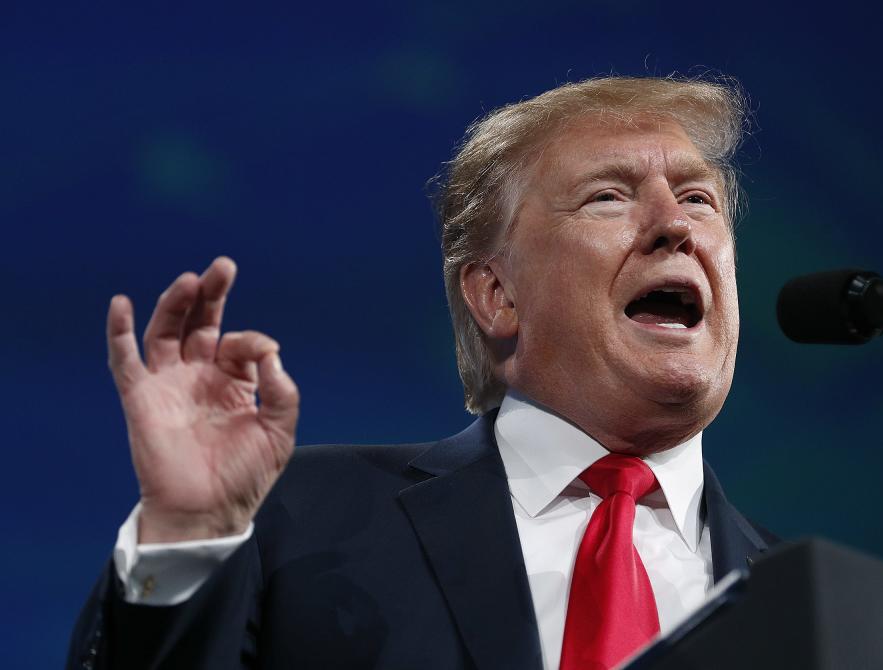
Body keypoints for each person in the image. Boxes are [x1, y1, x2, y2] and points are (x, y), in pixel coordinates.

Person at [68, 76, 776, 670]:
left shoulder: (812, 605)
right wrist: (188, 538)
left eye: (698, 199)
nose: (673, 224)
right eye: (609, 197)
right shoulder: (296, 518)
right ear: (496, 294)